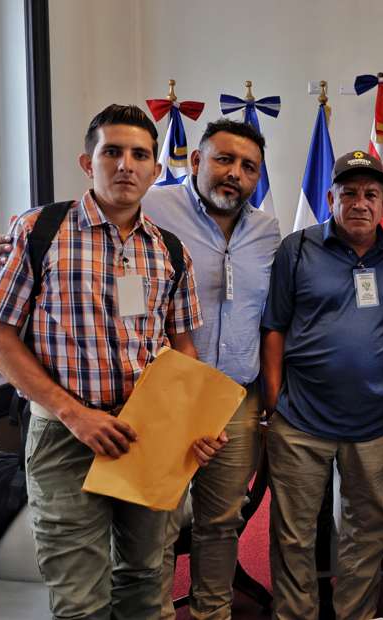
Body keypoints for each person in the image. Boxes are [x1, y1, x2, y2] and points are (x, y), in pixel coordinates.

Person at [0, 104, 223, 620]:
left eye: (140, 155)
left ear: (155, 170)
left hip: (148, 436)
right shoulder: (40, 230)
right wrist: (74, 414)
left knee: (146, 583)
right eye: (112, 151)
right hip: (64, 436)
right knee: (79, 598)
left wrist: (192, 425)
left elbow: (184, 350)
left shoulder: (171, 251)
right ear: (87, 162)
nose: (126, 165)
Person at [260, 150, 383, 620]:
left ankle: (356, 615)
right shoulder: (297, 249)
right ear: (331, 198)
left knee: (368, 529)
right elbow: (274, 326)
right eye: (348, 193)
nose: (359, 203)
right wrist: (273, 400)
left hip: (372, 422)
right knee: (294, 534)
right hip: (300, 421)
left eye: (370, 194)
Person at [152, 119, 281, 619]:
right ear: (196, 160)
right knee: (156, 520)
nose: (235, 174)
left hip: (236, 397)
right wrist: (3, 245)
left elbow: (271, 317)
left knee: (222, 521)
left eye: (249, 167)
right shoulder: (153, 207)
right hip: (166, 394)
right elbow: (81, 219)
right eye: (224, 159)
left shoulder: (267, 231)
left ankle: (214, 613)